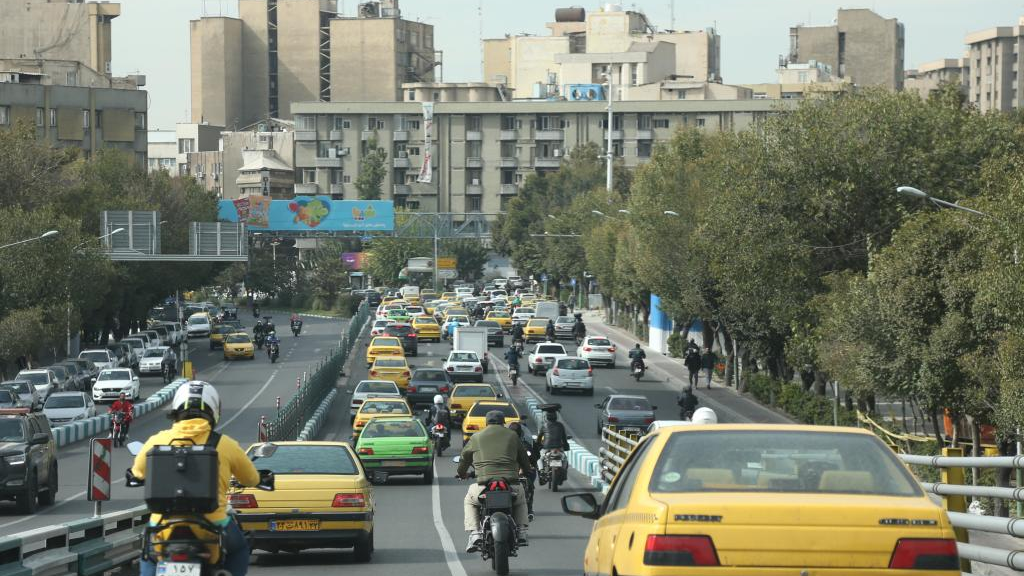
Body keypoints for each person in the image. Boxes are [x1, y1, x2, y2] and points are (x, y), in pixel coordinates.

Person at [131, 382, 260, 576]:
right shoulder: (225, 444)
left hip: (164, 524)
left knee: (149, 553)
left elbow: (138, 471)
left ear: (176, 409)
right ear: (213, 410)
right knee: (240, 549)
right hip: (212, 524)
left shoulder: (157, 440)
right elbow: (251, 478)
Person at [458, 410, 532, 553]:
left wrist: (461, 473)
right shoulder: (513, 435)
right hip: (510, 485)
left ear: (486, 422)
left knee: (469, 500)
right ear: (503, 422)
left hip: (483, 487)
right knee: (521, 497)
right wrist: (527, 470)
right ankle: (522, 530)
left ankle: (474, 533)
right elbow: (524, 458)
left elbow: (464, 458)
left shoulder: (476, 437)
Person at [507, 421, 537, 520]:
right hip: (508, 473)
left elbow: (534, 456)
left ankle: (529, 510)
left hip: (512, 472)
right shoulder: (507, 445)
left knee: (529, 486)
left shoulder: (524, 444)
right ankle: (529, 510)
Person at [534, 409, 569, 486]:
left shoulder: (544, 426)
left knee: (540, 458)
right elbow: (564, 438)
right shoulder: (560, 425)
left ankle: (541, 470)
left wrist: (538, 444)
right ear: (556, 417)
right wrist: (566, 446)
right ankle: (563, 471)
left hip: (547, 447)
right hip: (559, 447)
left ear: (547, 417)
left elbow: (539, 438)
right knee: (565, 459)